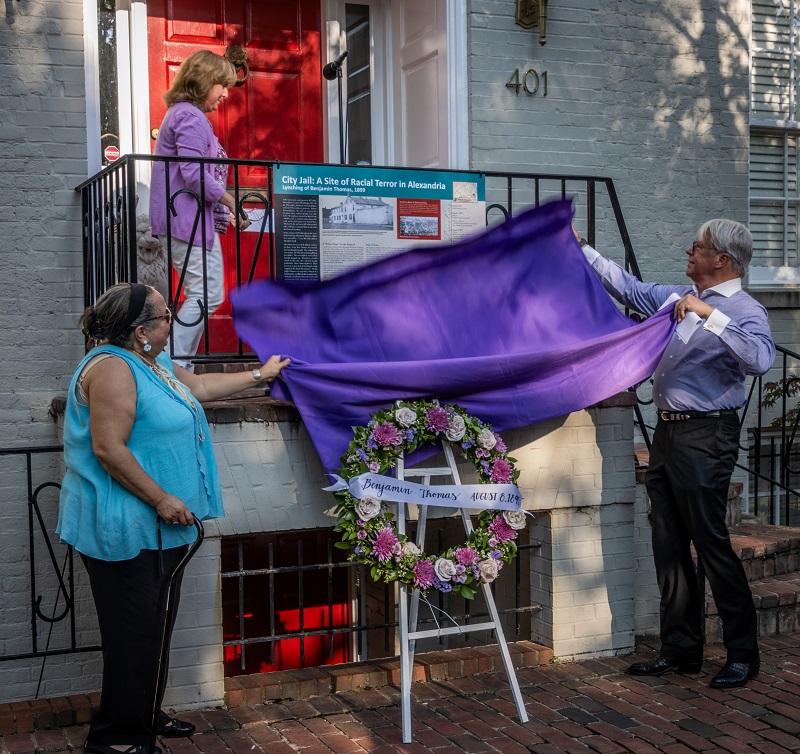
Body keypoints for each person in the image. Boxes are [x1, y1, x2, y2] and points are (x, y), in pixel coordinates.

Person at [57, 283, 289, 754]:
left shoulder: (151, 363)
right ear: (141, 330)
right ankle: (116, 737)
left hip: (161, 531)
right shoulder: (113, 371)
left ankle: (142, 715)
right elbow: (108, 449)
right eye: (165, 315)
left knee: (152, 629)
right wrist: (162, 498)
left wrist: (258, 375)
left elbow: (199, 386)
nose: (173, 321)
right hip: (125, 526)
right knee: (132, 635)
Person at [576, 219, 774, 689]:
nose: (690, 250)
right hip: (667, 435)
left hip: (709, 437)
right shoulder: (674, 298)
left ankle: (743, 654)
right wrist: (581, 248)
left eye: (698, 246)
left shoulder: (745, 310)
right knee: (667, 543)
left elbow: (761, 359)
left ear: (722, 259)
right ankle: (681, 650)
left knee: (710, 544)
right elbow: (627, 286)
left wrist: (710, 315)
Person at [149, 50, 248, 371]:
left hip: (187, 219)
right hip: (186, 222)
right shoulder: (189, 117)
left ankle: (179, 363)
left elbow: (194, 173)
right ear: (204, 81)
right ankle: (172, 364)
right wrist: (230, 200)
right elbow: (193, 173)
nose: (225, 94)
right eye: (222, 85)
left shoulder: (184, 115)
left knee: (203, 293)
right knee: (205, 294)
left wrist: (223, 210)